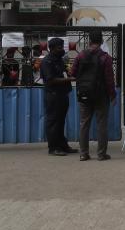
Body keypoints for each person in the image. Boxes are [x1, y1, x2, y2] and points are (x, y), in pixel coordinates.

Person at [70, 30, 116, 161]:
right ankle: (101, 154)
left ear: (89, 41)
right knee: (102, 124)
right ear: (101, 42)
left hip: (84, 94)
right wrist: (112, 95)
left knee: (84, 123)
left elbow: (73, 73)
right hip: (101, 96)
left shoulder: (80, 56)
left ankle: (83, 153)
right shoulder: (105, 58)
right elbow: (109, 79)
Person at [41, 37, 75, 156]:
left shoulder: (59, 60)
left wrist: (69, 72)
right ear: (52, 48)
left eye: (62, 47)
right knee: (53, 122)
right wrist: (68, 79)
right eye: (59, 47)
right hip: (53, 96)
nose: (62, 49)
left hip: (62, 94)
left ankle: (62, 145)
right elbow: (50, 80)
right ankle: (53, 147)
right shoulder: (47, 61)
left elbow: (63, 72)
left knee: (61, 122)